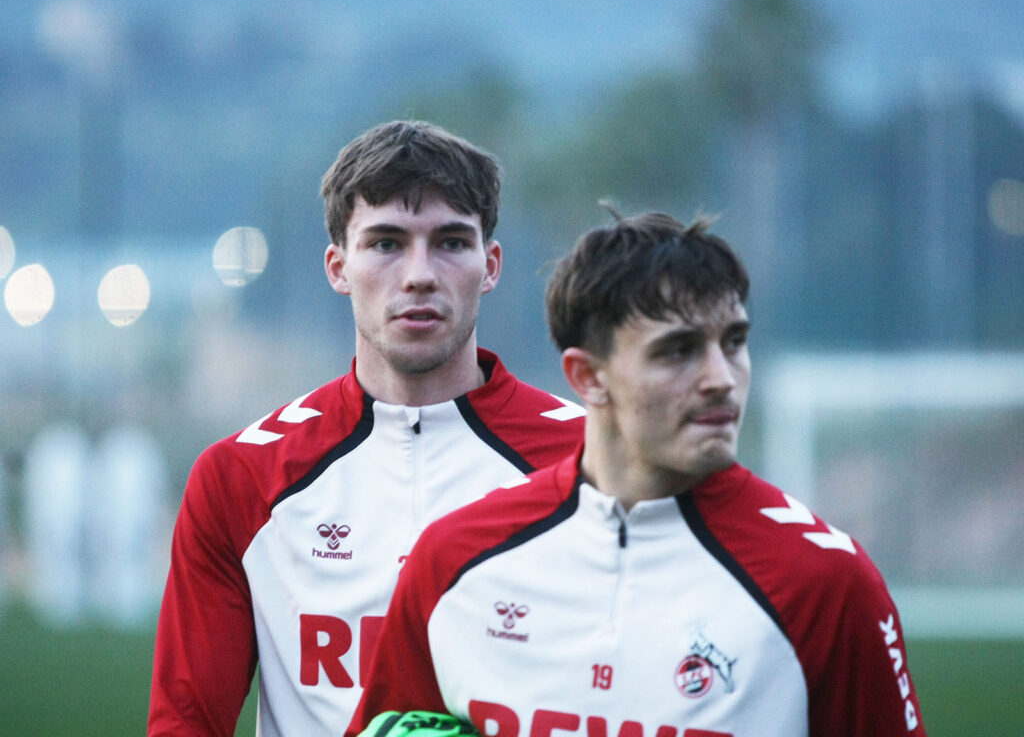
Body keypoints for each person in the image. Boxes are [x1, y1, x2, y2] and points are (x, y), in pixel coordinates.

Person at [349, 207, 926, 737]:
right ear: (587, 377)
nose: (721, 377)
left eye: (734, 342)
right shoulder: (454, 558)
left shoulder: (826, 583)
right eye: (678, 351)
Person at [147, 120, 585, 737]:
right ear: (337, 267)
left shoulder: (594, 460)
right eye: (385, 243)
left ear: (490, 266)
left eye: (451, 243)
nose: (419, 275)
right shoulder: (241, 478)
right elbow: (186, 723)